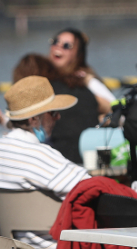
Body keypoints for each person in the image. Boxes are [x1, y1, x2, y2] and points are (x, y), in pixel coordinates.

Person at [0, 75, 90, 249]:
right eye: (53, 112)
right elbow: (93, 189)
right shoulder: (41, 156)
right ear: (34, 120)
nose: (58, 117)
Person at [46, 30, 108, 164]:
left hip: (90, 158)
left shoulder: (87, 80)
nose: (58, 47)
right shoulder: (42, 80)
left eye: (67, 45)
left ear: (78, 54)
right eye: (55, 42)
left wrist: (100, 111)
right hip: (57, 158)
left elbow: (115, 108)